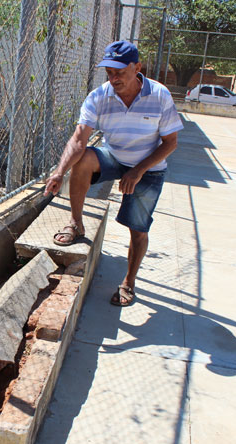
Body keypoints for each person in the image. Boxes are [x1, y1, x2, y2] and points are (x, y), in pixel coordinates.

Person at [44, 40, 183, 307]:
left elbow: (171, 142)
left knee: (137, 228)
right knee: (82, 159)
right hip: (115, 156)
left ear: (137, 67)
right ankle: (76, 223)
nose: (113, 77)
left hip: (149, 167)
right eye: (109, 71)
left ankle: (128, 282)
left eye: (120, 71)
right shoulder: (99, 96)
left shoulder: (160, 95)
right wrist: (59, 172)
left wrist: (139, 170)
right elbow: (78, 139)